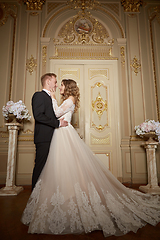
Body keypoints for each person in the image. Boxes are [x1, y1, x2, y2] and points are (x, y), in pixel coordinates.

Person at [22, 79, 160, 237]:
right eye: (57, 84)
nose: (58, 87)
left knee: (67, 166)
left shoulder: (69, 100)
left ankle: (72, 200)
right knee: (63, 168)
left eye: (61, 85)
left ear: (67, 87)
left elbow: (56, 114)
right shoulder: (68, 100)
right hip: (60, 134)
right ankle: (63, 200)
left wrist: (52, 98)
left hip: (64, 134)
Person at [31, 73, 68, 190]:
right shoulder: (39, 95)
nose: (56, 85)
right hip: (44, 138)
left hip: (54, 137)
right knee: (41, 167)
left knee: (50, 169)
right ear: (48, 82)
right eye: (55, 82)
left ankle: (45, 195)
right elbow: (38, 116)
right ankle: (34, 196)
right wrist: (57, 123)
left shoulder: (51, 97)